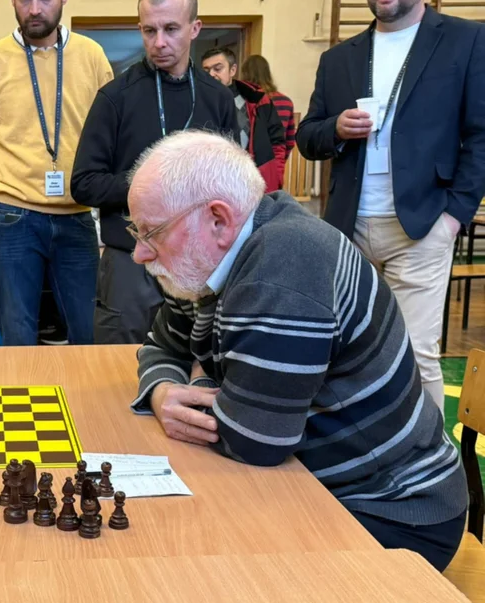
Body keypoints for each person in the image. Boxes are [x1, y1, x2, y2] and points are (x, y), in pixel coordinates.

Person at [128, 130, 467, 572]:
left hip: (393, 512)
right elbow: (158, 346)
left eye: (151, 232)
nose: (138, 253)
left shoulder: (283, 265)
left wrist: (202, 384)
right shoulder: (200, 265)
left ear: (218, 220)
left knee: (192, 572)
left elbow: (254, 440)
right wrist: (163, 393)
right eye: (135, 230)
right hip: (315, 485)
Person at [296, 0, 485, 411]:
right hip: (348, 227)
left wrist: (453, 218)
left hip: (422, 226)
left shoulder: (465, 40)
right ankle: (357, 464)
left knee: (416, 359)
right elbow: (307, 136)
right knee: (345, 354)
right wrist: (336, 129)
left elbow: (480, 136)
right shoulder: (338, 58)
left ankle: (428, 474)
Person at [0, 0, 113, 346]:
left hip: (76, 216)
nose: (35, 9)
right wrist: (11, 170)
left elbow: (110, 134)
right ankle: (19, 405)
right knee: (17, 332)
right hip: (13, 217)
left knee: (87, 330)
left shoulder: (91, 57)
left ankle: (84, 406)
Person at [71, 0, 236, 345]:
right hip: (131, 261)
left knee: (198, 366)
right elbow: (83, 183)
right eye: (149, 30)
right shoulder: (115, 97)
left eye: (171, 29)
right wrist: (151, 185)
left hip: (198, 265)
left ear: (195, 28)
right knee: (115, 374)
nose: (159, 42)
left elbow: (235, 184)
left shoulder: (218, 99)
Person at [201, 47, 286, 191]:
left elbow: (277, 141)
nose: (211, 74)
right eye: (206, 70)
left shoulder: (256, 100)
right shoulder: (198, 102)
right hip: (213, 184)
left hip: (255, 180)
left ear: (232, 70)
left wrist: (276, 175)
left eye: (218, 69)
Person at [241, 54, 296, 158]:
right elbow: (289, 142)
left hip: (246, 162)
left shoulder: (242, 100)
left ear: (244, 74)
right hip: (274, 162)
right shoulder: (286, 102)